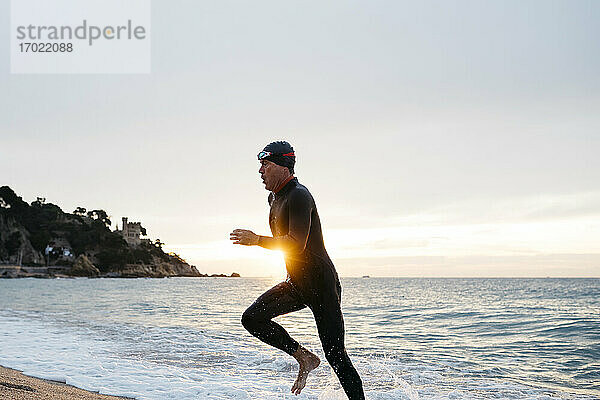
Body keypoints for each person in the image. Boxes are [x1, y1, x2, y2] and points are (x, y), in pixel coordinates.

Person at [230, 141, 365, 399]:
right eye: (261, 165)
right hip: (296, 283)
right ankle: (303, 356)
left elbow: (295, 244)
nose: (261, 171)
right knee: (252, 319)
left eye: (266, 165)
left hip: (322, 285)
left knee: (337, 356)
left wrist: (256, 240)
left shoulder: (299, 195)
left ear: (283, 166)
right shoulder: (274, 198)